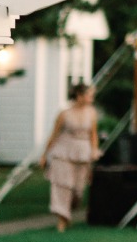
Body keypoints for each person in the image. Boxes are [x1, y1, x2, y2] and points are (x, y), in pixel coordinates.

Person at [42, 81, 100, 233]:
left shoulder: (92, 113)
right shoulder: (64, 114)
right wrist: (45, 155)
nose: (91, 98)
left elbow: (93, 134)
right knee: (62, 185)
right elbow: (54, 134)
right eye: (89, 95)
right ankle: (62, 219)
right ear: (79, 96)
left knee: (78, 189)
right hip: (63, 152)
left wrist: (94, 150)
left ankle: (68, 212)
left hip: (83, 151)